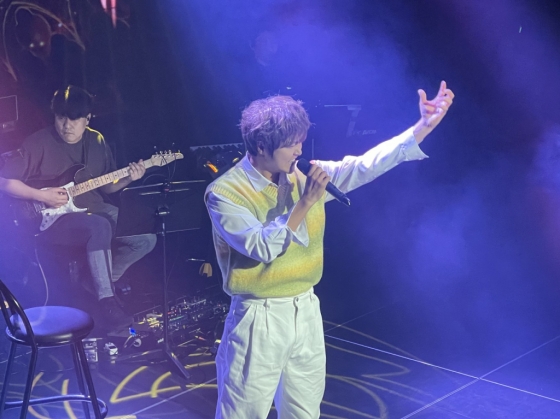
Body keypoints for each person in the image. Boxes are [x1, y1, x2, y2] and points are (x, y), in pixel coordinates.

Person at [205, 81, 454, 418]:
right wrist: (305, 204)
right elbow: (260, 247)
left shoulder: (301, 175)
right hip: (258, 317)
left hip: (306, 308)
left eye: (301, 141)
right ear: (261, 146)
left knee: (305, 411)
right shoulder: (225, 193)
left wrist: (422, 127)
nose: (299, 150)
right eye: (291, 144)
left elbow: (364, 165)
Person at [0, 86, 156, 330]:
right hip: (51, 219)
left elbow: (108, 186)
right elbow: (4, 181)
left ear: (87, 118)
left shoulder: (97, 141)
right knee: (99, 225)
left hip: (93, 210)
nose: (67, 126)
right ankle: (107, 301)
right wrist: (42, 195)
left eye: (74, 119)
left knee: (146, 239)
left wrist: (128, 178)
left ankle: (92, 282)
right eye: (61, 118)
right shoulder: (38, 142)